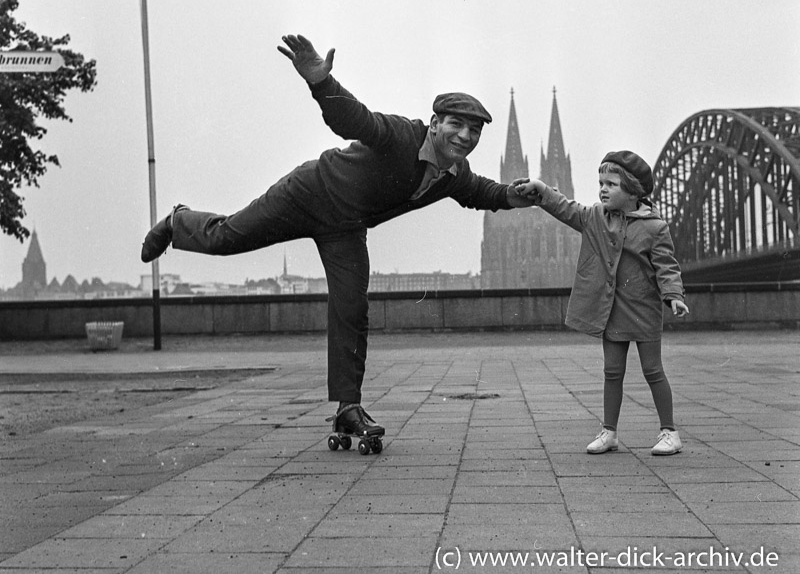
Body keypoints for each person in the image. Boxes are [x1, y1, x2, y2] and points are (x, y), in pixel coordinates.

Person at [141, 33, 534, 442]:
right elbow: (356, 119)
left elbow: (484, 194)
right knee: (227, 238)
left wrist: (515, 196)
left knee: (352, 308)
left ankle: (348, 408)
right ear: (434, 124)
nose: (465, 137)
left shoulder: (455, 175)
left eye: (474, 131)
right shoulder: (402, 135)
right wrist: (320, 82)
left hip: (345, 228)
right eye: (457, 125)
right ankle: (177, 221)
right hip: (310, 192)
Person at [515, 150, 689, 455]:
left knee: (653, 370)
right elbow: (568, 209)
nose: (603, 189)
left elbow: (667, 267)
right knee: (612, 371)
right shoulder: (596, 217)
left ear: (633, 190)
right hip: (611, 311)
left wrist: (673, 296)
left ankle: (669, 432)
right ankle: (609, 432)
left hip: (644, 310)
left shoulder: (655, 227)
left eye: (611, 184)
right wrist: (542, 190)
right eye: (601, 183)